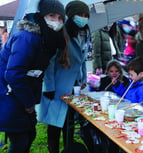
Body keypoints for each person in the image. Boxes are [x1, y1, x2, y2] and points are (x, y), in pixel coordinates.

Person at [0, 0, 66, 152]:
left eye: (60, 17)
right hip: (9, 94)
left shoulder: (46, 40)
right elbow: (14, 74)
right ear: (41, 16)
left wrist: (31, 102)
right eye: (51, 15)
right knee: (20, 141)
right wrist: (29, 103)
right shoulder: (27, 38)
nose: (57, 21)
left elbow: (36, 74)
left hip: (20, 96)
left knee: (29, 135)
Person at [37, 1, 91, 153]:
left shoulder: (85, 33)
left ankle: (69, 149)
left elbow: (83, 60)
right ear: (71, 16)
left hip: (74, 87)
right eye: (80, 14)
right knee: (54, 124)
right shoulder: (61, 32)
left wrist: (83, 80)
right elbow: (50, 63)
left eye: (86, 15)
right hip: (58, 86)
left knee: (69, 123)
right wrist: (48, 87)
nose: (83, 18)